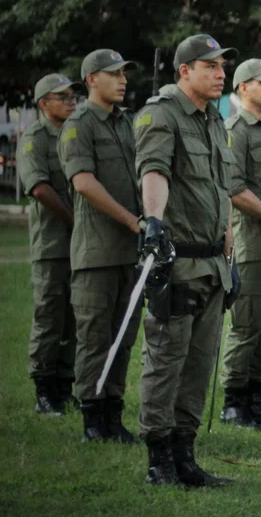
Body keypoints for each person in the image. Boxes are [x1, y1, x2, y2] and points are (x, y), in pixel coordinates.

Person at [135, 34, 240, 486]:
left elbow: (222, 189)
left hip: (213, 262)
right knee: (166, 361)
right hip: (178, 262)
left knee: (199, 365)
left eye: (222, 67)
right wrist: (153, 223)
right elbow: (154, 170)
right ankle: (159, 461)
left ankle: (185, 456)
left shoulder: (215, 120)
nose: (221, 74)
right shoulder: (162, 113)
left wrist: (229, 245)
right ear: (185, 71)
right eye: (211, 66)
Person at [59, 49, 142, 443]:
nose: (122, 80)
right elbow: (83, 183)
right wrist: (131, 220)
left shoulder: (126, 123)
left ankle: (113, 413)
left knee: (123, 337)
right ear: (92, 79)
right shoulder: (79, 125)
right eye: (114, 74)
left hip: (131, 252)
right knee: (95, 338)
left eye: (124, 73)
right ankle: (92, 419)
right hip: (98, 254)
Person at [218, 58, 261, 430]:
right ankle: (233, 401)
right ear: (243, 88)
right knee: (246, 325)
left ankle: (254, 397)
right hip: (251, 242)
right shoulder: (235, 130)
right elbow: (235, 188)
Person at [19, 74, 79, 416]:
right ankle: (44, 390)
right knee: (50, 317)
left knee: (74, 318)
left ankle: (64, 385)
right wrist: (76, 220)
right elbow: (40, 188)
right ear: (44, 103)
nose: (72, 102)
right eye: (63, 97)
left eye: (73, 96)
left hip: (81, 244)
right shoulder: (35, 138)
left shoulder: (74, 133)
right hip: (52, 244)